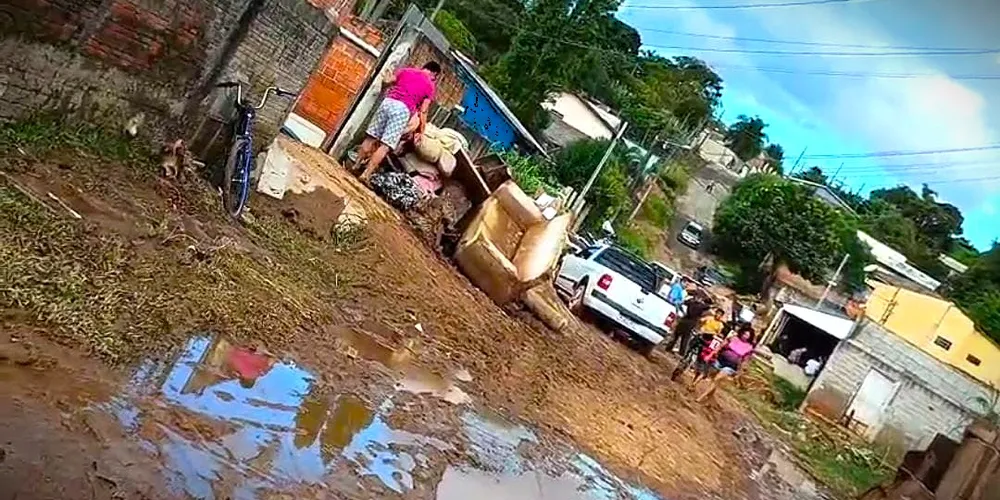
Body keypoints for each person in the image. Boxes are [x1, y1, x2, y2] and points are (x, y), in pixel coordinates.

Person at [355, 61, 441, 183]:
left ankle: (355, 165)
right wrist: (421, 130)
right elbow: (423, 110)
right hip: (402, 109)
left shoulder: (406, 71)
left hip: (388, 101)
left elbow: (388, 81)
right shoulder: (430, 86)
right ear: (434, 74)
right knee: (386, 145)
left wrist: (385, 84)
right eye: (435, 78)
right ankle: (365, 174)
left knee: (371, 137)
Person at [695, 326, 757, 402]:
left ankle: (702, 397)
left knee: (717, 379)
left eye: (747, 335)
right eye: (744, 334)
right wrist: (710, 355)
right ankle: (709, 398)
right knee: (708, 374)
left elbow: (744, 361)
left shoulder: (749, 347)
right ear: (741, 333)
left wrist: (739, 373)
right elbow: (720, 347)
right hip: (720, 360)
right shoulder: (733, 338)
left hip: (731, 366)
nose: (745, 336)